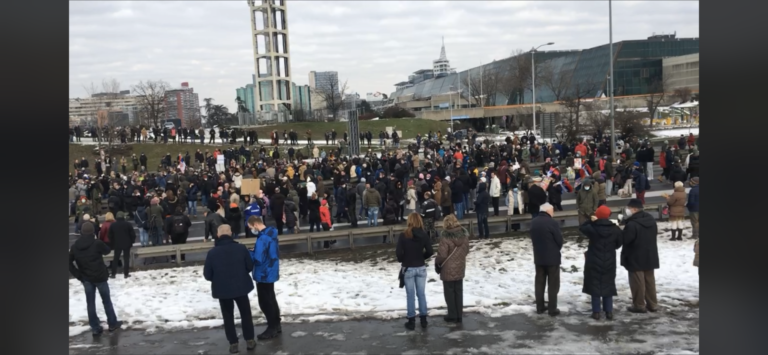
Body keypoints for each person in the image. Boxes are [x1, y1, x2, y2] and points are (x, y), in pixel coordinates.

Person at [203, 224, 257, 354]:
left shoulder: (212, 253)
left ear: (218, 235)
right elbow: (249, 266)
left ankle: (233, 343)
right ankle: (249, 340)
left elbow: (207, 274)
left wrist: (218, 279)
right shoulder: (240, 248)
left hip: (223, 289)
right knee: (246, 314)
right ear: (231, 233)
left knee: (228, 317)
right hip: (241, 286)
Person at [69, 222, 123, 336]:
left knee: (90, 303)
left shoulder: (75, 247)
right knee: (106, 301)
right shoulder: (97, 243)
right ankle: (112, 324)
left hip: (86, 278)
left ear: (81, 232)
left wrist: (79, 275)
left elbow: (68, 263)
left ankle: (95, 327)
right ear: (92, 232)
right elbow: (107, 250)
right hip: (100, 277)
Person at [579, 205, 622, 321]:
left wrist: (591, 220)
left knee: (595, 285)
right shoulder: (615, 229)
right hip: (609, 260)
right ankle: (609, 312)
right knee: (608, 284)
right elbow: (619, 244)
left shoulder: (593, 228)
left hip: (594, 260)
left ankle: (596, 312)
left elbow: (582, 227)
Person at [619, 199, 660, 313]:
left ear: (634, 209)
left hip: (635, 255)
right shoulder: (650, 219)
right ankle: (653, 304)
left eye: (628, 208)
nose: (627, 210)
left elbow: (626, 239)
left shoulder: (632, 224)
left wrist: (619, 230)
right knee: (649, 280)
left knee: (637, 282)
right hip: (650, 253)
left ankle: (639, 305)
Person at [396, 213, 434, 330]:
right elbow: (430, 251)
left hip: (408, 267)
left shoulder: (403, 235)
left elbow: (398, 254)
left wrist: (404, 259)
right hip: (421, 267)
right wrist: (422, 257)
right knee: (421, 294)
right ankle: (423, 320)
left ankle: (411, 320)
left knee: (410, 295)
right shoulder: (423, 235)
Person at [247, 216, 282, 340]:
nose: (251, 230)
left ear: (256, 224)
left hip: (263, 273)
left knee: (265, 301)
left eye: (251, 227)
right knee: (271, 298)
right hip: (271, 270)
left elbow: (258, 258)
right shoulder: (271, 234)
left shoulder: (262, 238)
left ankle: (271, 327)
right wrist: (256, 250)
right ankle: (276, 324)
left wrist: (249, 252)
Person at [529, 203, 563, 316]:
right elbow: (559, 240)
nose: (553, 213)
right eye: (552, 210)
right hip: (552, 258)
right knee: (553, 284)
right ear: (548, 211)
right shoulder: (552, 223)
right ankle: (552, 309)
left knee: (539, 282)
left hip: (538, 257)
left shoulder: (533, 222)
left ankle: (540, 307)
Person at [436, 214, 470, 323]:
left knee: (449, 292)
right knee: (459, 291)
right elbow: (466, 250)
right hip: (460, 266)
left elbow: (442, 254)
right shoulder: (464, 235)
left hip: (448, 268)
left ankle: (452, 314)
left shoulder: (445, 237)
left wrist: (437, 263)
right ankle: (459, 314)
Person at [107, 212, 136, 278]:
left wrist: (112, 242)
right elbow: (132, 234)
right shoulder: (128, 224)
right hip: (127, 243)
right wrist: (131, 241)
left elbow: (109, 235)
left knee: (115, 258)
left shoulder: (113, 225)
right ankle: (126, 274)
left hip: (117, 244)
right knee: (126, 259)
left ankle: (113, 274)